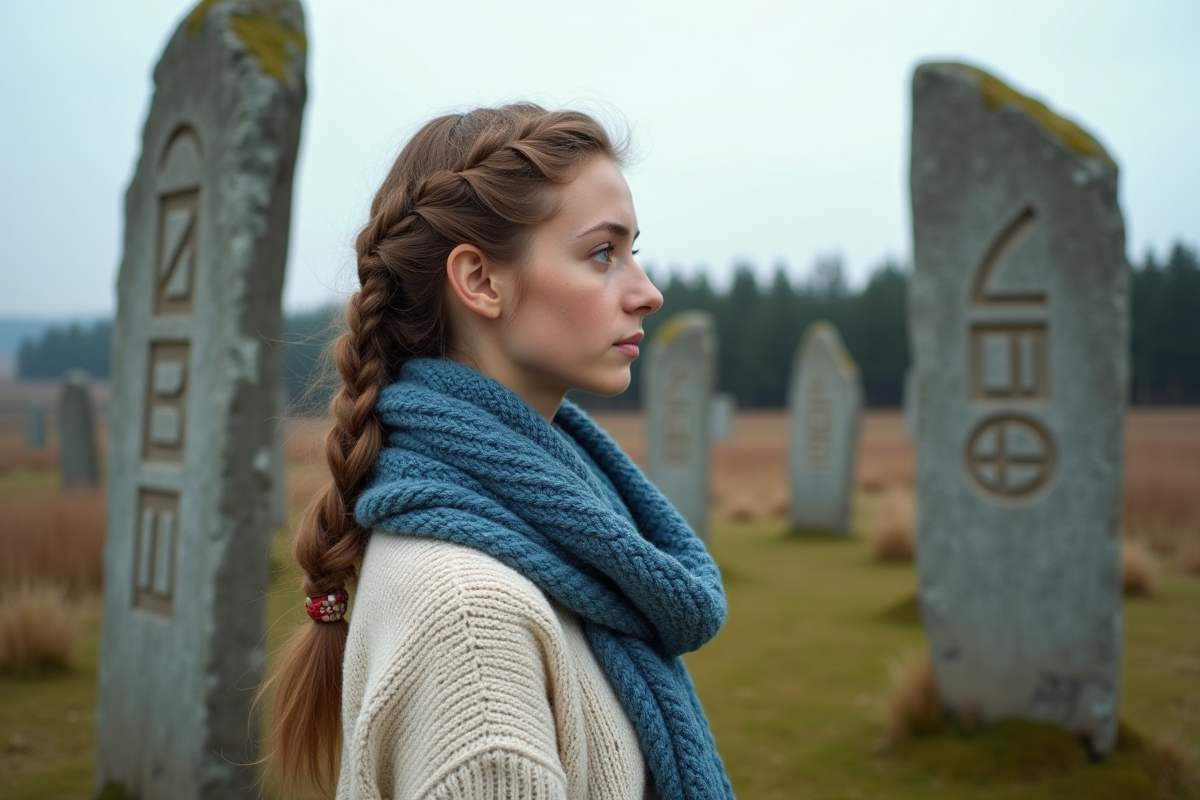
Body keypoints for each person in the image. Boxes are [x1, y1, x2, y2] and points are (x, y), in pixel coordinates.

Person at [264, 104, 733, 800]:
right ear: (481, 281)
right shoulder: (470, 628)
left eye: (635, 250)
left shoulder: (552, 543)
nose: (647, 292)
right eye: (603, 253)